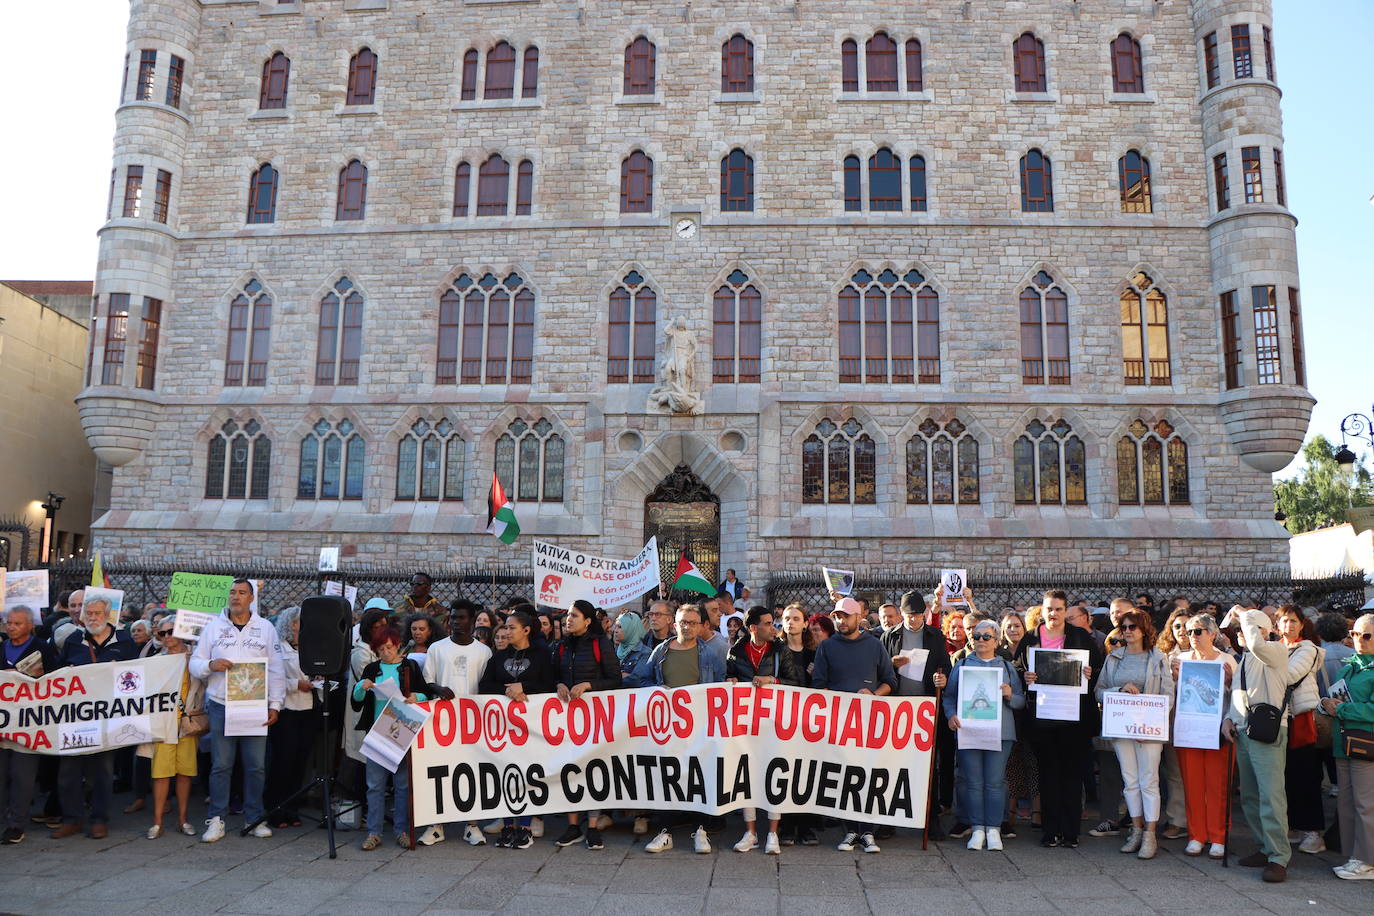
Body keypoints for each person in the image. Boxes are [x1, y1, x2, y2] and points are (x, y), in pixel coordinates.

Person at [188, 578, 286, 843]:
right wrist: (210, 664)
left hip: (255, 705)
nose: (236, 597)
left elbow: (277, 670)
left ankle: (255, 818)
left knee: (255, 766)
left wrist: (275, 704)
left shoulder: (266, 628)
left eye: (242, 592)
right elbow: (194, 664)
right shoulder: (213, 628)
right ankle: (216, 818)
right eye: (233, 592)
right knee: (221, 765)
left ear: (251, 598)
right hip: (221, 704)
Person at [1222, 606, 1314, 883]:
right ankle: (1265, 847)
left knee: (1271, 796)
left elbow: (1258, 644)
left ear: (1260, 631)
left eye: (1245, 629)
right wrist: (1229, 719)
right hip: (1245, 730)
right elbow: (1240, 696)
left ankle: (1278, 856)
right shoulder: (1245, 658)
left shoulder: (1274, 650)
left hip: (1268, 732)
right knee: (1250, 795)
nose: (1240, 633)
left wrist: (1247, 615)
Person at [1014, 589, 1104, 849]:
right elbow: (1018, 667)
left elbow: (1097, 668)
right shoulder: (1031, 638)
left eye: (1058, 609)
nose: (1053, 614)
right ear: (1042, 611)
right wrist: (1026, 676)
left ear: (1066, 611)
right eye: (1049, 609)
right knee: (1048, 775)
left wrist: (1090, 672)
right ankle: (1050, 830)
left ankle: (1071, 831)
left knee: (1072, 775)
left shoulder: (1079, 637)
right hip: (1043, 718)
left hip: (1074, 719)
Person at [813, 596, 898, 854]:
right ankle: (850, 830)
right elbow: (818, 684)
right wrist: (836, 700)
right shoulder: (826, 647)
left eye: (845, 616)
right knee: (845, 777)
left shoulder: (874, 645)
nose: (840, 621)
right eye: (837, 616)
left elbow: (890, 680)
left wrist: (874, 696)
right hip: (838, 722)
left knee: (869, 775)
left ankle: (869, 831)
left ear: (858, 618)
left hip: (869, 721)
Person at [51, 595, 138, 839]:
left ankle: (99, 819)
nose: (91, 617)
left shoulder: (124, 641)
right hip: (75, 719)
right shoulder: (73, 640)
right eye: (88, 613)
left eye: (97, 613)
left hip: (107, 718)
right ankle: (72, 819)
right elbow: (57, 671)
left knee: (102, 771)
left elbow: (138, 675)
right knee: (68, 771)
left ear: (108, 615)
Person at [644, 604, 726, 854]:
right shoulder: (661, 651)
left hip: (699, 728)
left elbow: (720, 686)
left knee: (698, 777)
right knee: (666, 777)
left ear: (701, 625)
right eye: (683, 622)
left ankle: (700, 830)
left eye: (692, 622)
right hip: (667, 727)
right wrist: (657, 691)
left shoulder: (710, 655)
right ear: (675, 624)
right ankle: (665, 832)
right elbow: (644, 679)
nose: (687, 626)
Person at [726, 606, 804, 855]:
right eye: (769, 623)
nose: (774, 628)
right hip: (745, 724)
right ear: (753, 628)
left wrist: (773, 681)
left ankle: (772, 832)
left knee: (775, 774)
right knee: (746, 774)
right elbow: (727, 678)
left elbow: (797, 682)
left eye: (773, 623)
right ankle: (750, 833)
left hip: (774, 723)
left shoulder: (781, 649)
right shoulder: (736, 651)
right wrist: (731, 682)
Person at [1095, 609, 1173, 859]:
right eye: (1124, 627)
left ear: (1144, 630)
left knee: (1148, 780)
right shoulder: (1114, 658)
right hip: (1121, 726)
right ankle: (1136, 829)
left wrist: (1150, 722)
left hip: (1148, 728)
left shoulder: (1158, 658)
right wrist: (1119, 689)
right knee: (1129, 781)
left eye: (1132, 627)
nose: (1128, 631)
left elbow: (1168, 695)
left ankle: (1150, 833)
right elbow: (1099, 691)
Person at [944, 619, 1025, 851]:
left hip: (1000, 733)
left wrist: (1010, 695)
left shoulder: (1007, 667)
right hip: (969, 731)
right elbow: (949, 697)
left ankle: (994, 828)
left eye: (986, 637)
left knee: (995, 782)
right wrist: (951, 715)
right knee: (973, 782)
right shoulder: (961, 665)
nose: (980, 640)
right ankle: (977, 828)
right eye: (977, 636)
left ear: (996, 641)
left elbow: (1020, 702)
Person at [478, 608, 556, 849]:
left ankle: (525, 827)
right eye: (506, 627)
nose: (507, 631)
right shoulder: (499, 657)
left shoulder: (542, 654)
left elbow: (548, 684)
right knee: (507, 774)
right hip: (504, 727)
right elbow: (484, 685)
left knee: (527, 774)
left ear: (526, 630)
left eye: (512, 627)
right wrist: (507, 690)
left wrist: (525, 687)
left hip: (531, 727)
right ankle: (509, 826)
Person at [352, 626, 433, 851]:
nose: (385, 652)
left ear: (398, 646)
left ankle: (402, 830)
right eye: (380, 649)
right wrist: (361, 687)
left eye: (389, 647)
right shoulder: (371, 668)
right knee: (375, 785)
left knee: (402, 785)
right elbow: (356, 701)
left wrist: (418, 696)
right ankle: (374, 832)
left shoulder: (410, 667)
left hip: (403, 729)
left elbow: (426, 693)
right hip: (378, 731)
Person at [419, 599, 493, 847]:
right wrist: (439, 688)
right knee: (439, 771)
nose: (456, 622)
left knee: (471, 772)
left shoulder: (484, 652)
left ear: (472, 621)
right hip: (441, 722)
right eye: (453, 617)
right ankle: (436, 825)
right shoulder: (437, 648)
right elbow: (426, 681)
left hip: (473, 722)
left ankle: (471, 825)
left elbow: (488, 686)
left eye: (462, 618)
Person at [552, 600, 622, 850]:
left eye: (575, 615)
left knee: (594, 771)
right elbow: (552, 675)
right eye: (568, 615)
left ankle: (592, 826)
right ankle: (573, 825)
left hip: (595, 719)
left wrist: (588, 686)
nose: (568, 620)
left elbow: (615, 680)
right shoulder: (561, 645)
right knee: (569, 770)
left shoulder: (600, 644)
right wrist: (559, 684)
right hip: (567, 720)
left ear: (588, 621)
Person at [882, 591, 952, 837]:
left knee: (928, 767)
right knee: (892, 766)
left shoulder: (935, 636)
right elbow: (880, 667)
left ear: (924, 614)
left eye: (917, 615)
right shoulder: (889, 635)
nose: (913, 619)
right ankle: (887, 820)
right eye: (909, 615)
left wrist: (941, 678)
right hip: (896, 708)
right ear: (902, 614)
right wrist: (892, 663)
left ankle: (930, 820)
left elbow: (946, 666)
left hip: (924, 707)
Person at [1173, 613, 1237, 859]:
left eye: (1198, 631)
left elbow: (1238, 696)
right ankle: (1196, 835)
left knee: (1218, 784)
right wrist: (1173, 678)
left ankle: (1219, 836)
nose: (1193, 636)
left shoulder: (1227, 659)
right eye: (1189, 632)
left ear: (1212, 634)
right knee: (1192, 783)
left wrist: (1230, 682)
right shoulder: (1181, 659)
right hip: (1189, 729)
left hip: (1218, 728)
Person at [1, 607, 60, 844]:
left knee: (23, 778)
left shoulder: (43, 649)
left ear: (29, 625)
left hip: (29, 725)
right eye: (9, 623)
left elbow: (56, 682)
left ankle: (16, 825)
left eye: (16, 623)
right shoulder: (1, 647)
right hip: (4, 724)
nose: (11, 627)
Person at [1324, 613, 1374, 879]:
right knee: (1346, 801)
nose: (1359, 640)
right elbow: (1334, 697)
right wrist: (1326, 704)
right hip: (1342, 741)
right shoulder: (1348, 665)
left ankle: (1367, 859)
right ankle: (1356, 856)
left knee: (1365, 803)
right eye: (1355, 634)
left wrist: (1343, 709)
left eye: (1366, 635)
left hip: (1366, 742)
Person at [145, 618, 203, 839]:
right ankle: (157, 823)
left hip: (188, 723)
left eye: (171, 631)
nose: (167, 637)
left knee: (185, 773)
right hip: (163, 723)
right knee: (161, 774)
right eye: (162, 634)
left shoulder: (195, 658)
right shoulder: (155, 661)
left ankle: (183, 819)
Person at [1275, 605, 1327, 854]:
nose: (1289, 626)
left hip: (1302, 717)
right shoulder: (1276, 649)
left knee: (1306, 775)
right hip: (1282, 717)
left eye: (1293, 621)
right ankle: (1295, 825)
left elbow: (1290, 674)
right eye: (1285, 621)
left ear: (1302, 624)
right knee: (1286, 776)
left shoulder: (1308, 649)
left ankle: (1313, 832)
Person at [265, 606, 319, 829]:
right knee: (283, 762)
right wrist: (296, 684)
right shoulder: (278, 648)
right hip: (287, 709)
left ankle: (293, 809)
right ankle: (276, 809)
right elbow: (271, 678)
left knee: (300, 762)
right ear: (292, 624)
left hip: (308, 709)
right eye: (300, 621)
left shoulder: (310, 647)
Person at [613, 611, 651, 687]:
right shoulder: (615, 651)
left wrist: (615, 677)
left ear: (631, 629)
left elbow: (637, 680)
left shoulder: (645, 653)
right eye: (616, 626)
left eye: (620, 627)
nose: (615, 631)